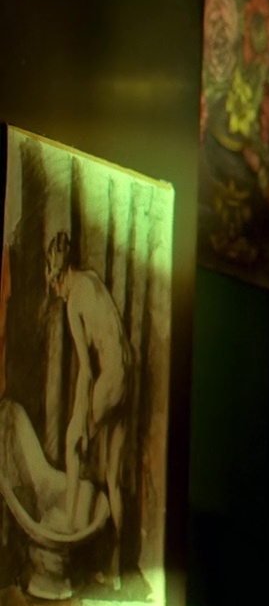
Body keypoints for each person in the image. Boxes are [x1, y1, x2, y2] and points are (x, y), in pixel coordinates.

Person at [46, 230, 132, 586]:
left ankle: (66, 537)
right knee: (113, 477)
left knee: (71, 445)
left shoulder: (72, 303)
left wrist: (80, 419)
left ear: (60, 275)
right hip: (127, 373)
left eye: (54, 284)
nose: (56, 292)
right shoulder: (92, 278)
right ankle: (115, 572)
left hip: (111, 377)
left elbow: (86, 369)